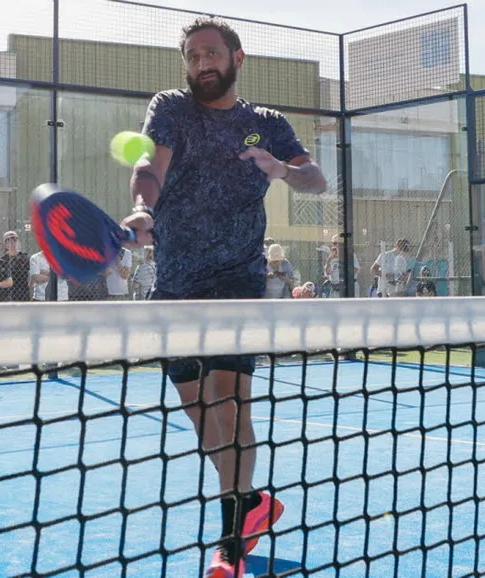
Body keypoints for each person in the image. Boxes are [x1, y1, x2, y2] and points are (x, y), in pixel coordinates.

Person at [119, 17, 328, 577]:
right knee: (198, 408)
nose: (201, 63)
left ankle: (230, 542)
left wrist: (283, 169)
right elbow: (149, 164)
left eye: (211, 53)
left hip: (238, 279)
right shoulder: (171, 107)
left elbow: (317, 180)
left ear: (238, 57)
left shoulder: (266, 123)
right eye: (192, 56)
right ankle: (253, 500)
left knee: (227, 398)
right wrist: (142, 209)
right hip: (176, 284)